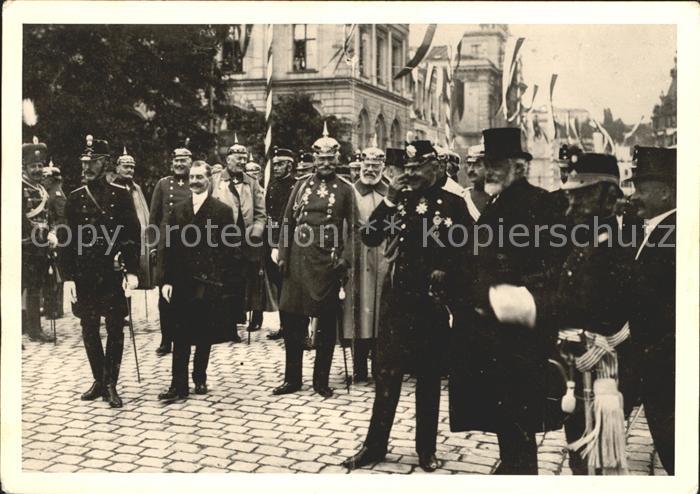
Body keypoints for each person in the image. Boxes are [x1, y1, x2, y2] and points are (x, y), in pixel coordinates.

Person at [343, 140, 472, 472]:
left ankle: (426, 449)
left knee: (428, 377)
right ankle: (375, 445)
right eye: (408, 169)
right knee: (386, 372)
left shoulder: (455, 202)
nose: (412, 174)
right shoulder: (399, 198)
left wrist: (447, 272)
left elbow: (469, 254)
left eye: (419, 168)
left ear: (437, 166)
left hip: (431, 302)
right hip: (398, 297)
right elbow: (370, 236)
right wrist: (389, 199)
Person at [448, 128, 562, 474]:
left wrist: (510, 295)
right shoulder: (497, 201)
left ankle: (520, 471)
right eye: (488, 162)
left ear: (520, 166)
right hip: (492, 332)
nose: (490, 170)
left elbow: (553, 265)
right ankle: (512, 466)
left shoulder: (540, 203)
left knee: (518, 414)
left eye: (498, 163)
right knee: (505, 415)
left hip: (518, 332)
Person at [538, 153, 638, 474]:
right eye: (571, 194)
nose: (572, 204)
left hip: (600, 370)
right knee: (579, 449)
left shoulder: (615, 245)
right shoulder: (587, 240)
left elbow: (625, 314)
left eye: (581, 195)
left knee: (597, 458)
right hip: (578, 367)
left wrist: (597, 346)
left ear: (607, 198)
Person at [275, 123, 358, 398]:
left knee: (324, 325)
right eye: (320, 158)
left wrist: (345, 260)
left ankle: (321, 380)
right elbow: (287, 222)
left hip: (327, 262)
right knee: (293, 323)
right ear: (313, 159)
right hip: (297, 262)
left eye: (329, 158)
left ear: (337, 158)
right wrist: (283, 256)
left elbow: (355, 230)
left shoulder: (346, 189)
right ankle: (292, 379)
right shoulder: (300, 186)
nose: (324, 163)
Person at [63, 136, 141, 408]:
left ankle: (111, 383)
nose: (87, 167)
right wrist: (68, 277)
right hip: (85, 275)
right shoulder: (74, 198)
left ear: (105, 163)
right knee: (89, 327)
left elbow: (132, 234)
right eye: (84, 162)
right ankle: (99, 379)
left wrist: (131, 270)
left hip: (111, 273)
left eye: (93, 162)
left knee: (115, 326)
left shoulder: (120, 195)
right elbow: (67, 240)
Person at [158, 161, 244, 402]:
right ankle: (178, 385)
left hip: (209, 282)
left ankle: (199, 376)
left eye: (199, 177)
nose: (194, 181)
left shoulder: (221, 211)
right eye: (191, 177)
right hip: (182, 280)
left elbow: (231, 250)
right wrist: (166, 280)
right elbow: (170, 247)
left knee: (204, 332)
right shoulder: (179, 209)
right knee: (180, 333)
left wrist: (221, 279)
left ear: (209, 180)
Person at [628, 146, 676, 475]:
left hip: (665, 364)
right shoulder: (655, 229)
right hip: (654, 362)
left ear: (665, 192)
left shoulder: (674, 233)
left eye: (642, 189)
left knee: (674, 447)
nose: (634, 196)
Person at [342, 143, 390, 383]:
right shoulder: (350, 192)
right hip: (357, 256)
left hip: (383, 255)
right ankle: (359, 367)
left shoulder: (390, 192)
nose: (370, 169)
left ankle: (380, 367)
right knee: (358, 312)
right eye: (367, 164)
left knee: (381, 311)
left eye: (375, 165)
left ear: (383, 166)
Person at [211, 137, 267, 340]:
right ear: (228, 160)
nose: (242, 162)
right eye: (238, 158)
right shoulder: (215, 180)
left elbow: (261, 214)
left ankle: (233, 327)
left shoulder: (252, 183)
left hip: (244, 242)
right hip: (220, 241)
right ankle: (220, 327)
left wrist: (255, 234)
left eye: (244, 159)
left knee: (238, 284)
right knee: (220, 283)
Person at [149, 144, 194, 355]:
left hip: (189, 245)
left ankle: (187, 335)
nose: (179, 164)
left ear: (190, 163)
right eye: (176, 160)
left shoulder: (196, 183)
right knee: (164, 295)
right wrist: (153, 246)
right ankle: (166, 339)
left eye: (183, 160)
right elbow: (154, 218)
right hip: (166, 245)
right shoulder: (163, 184)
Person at [22, 137, 57, 342]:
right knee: (19, 287)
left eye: (39, 165)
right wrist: (34, 235)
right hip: (24, 245)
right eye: (33, 166)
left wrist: (51, 232)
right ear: (25, 166)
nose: (37, 170)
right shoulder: (20, 186)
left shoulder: (43, 190)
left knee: (36, 287)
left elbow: (49, 216)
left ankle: (35, 329)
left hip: (40, 246)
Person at [266, 147, 297, 341]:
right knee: (277, 283)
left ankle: (293, 327)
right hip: (271, 240)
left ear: (289, 165)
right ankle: (284, 325)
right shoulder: (273, 184)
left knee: (289, 286)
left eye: (280, 164)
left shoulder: (295, 186)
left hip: (287, 242)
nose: (276, 167)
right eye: (275, 164)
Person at [112, 147, 154, 291]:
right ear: (117, 168)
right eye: (125, 167)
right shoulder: (111, 188)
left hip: (137, 238)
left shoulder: (137, 189)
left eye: (132, 167)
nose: (129, 170)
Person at [42, 161, 67, 320]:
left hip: (57, 237)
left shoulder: (56, 194)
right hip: (50, 236)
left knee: (55, 274)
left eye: (46, 177)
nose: (43, 179)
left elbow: (62, 218)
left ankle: (55, 308)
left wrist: (54, 234)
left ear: (52, 179)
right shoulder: (47, 192)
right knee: (50, 273)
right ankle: (51, 306)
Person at [464, 144, 490, 221]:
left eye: (477, 165)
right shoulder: (462, 197)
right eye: (469, 164)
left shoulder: (499, 198)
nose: (471, 170)